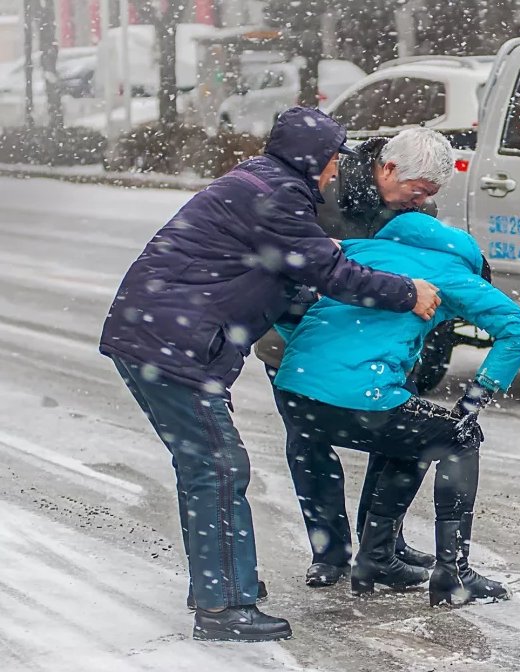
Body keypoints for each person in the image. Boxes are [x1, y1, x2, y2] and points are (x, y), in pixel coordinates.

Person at [98, 106, 441, 642]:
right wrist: (407, 293)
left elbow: (283, 276)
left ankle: (219, 585)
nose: (333, 173)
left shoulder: (262, 183)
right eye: (330, 162)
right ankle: (222, 608)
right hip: (172, 345)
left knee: (208, 465)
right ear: (315, 159)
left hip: (160, 337)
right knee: (217, 467)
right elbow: (326, 272)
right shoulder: (279, 196)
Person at [271, 211, 520, 605]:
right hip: (359, 396)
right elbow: (517, 329)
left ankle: (375, 557)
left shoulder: (359, 250)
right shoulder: (454, 273)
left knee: (415, 433)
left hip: (294, 392)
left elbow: (289, 290)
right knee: (459, 437)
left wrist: (311, 354)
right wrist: (474, 399)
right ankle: (453, 573)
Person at [253, 127, 454, 588]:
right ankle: (330, 552)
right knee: (308, 441)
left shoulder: (417, 207)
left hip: (384, 346)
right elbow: (287, 265)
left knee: (397, 434)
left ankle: (381, 543)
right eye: (415, 191)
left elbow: (427, 268)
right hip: (299, 340)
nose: (420, 203)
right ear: (387, 168)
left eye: (429, 195)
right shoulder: (319, 192)